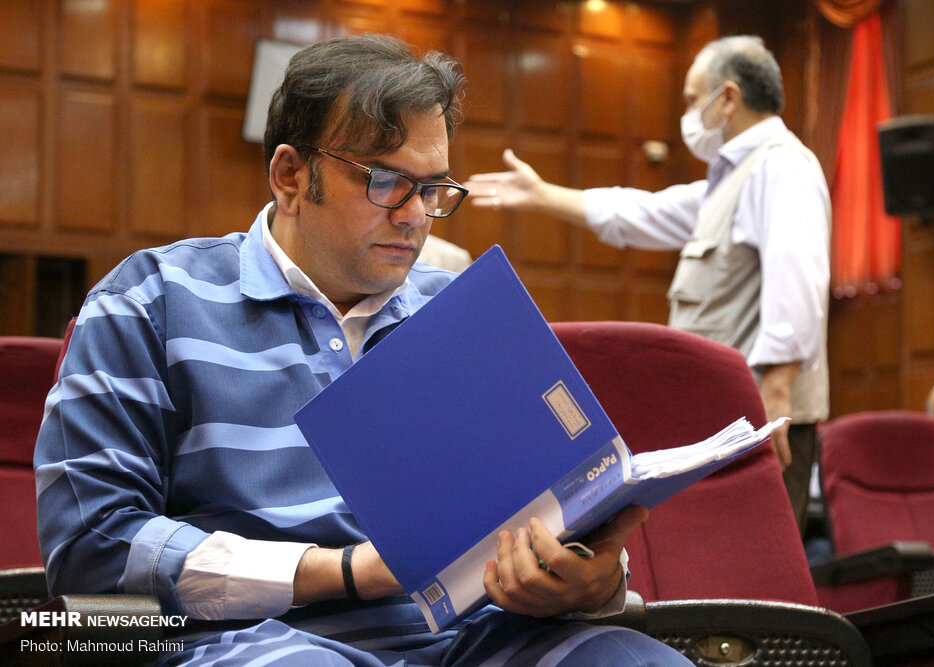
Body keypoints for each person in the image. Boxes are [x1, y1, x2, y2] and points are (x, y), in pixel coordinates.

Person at [33, 34, 691, 666]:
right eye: (385, 181)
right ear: (291, 175)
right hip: (257, 640)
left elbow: (555, 505)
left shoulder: (461, 312)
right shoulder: (152, 300)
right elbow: (92, 544)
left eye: (432, 188)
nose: (415, 215)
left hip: (476, 640)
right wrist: (344, 572)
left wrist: (593, 582)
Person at [465, 35, 831, 533]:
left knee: (762, 558)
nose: (689, 113)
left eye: (693, 98)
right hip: (730, 416)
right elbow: (639, 212)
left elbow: (798, 278)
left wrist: (779, 389)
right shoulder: (732, 178)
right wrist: (543, 194)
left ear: (728, 97)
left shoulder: (780, 165)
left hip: (762, 413)